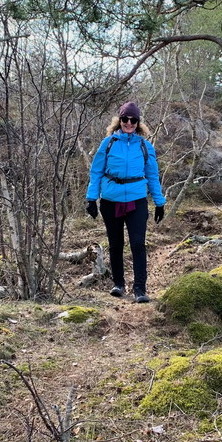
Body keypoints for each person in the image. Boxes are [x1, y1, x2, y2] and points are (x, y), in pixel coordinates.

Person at [86, 102, 166, 303]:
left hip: (137, 201)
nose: (129, 123)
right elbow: (96, 172)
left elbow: (153, 175)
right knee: (115, 244)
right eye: (125, 119)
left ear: (138, 123)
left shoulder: (145, 146)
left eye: (133, 120)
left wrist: (159, 202)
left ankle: (140, 288)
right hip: (110, 200)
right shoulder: (108, 143)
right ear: (119, 121)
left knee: (138, 243)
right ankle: (119, 284)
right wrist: (91, 199)